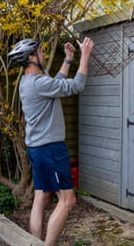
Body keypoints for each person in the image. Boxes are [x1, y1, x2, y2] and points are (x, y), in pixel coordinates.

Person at [7, 37, 94, 246]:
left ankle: (35, 243)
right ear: (31, 57)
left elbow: (55, 84)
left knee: (42, 197)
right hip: (51, 149)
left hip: (37, 149)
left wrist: (68, 59)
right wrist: (86, 56)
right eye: (41, 51)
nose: (44, 54)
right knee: (67, 200)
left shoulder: (29, 82)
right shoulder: (38, 83)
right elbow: (76, 85)